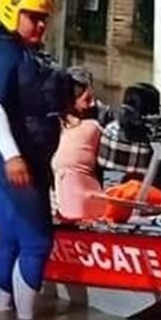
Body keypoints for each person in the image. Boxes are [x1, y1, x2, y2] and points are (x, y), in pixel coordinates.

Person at [0, 0, 68, 320]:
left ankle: (3, 319)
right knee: (37, 241)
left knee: (10, 238)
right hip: (11, 161)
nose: (41, 24)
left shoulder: (19, 53)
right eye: (33, 17)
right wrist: (12, 155)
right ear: (12, 13)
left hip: (14, 159)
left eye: (44, 18)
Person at [51, 69, 107, 221]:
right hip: (65, 205)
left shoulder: (94, 125)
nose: (91, 103)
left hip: (84, 205)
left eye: (90, 97)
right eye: (85, 97)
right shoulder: (50, 126)